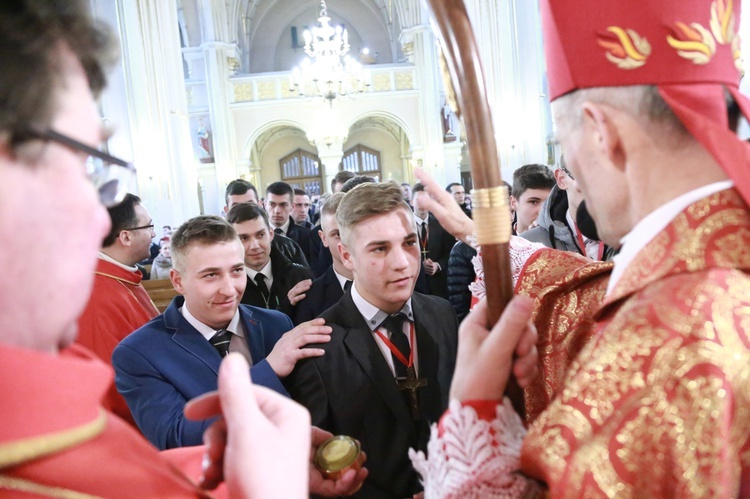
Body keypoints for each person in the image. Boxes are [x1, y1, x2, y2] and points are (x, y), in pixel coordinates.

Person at [412, 0, 750, 495]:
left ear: (600, 130)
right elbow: (602, 288)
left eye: (562, 140)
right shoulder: (715, 269)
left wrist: (473, 415)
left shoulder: (674, 340)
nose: (567, 166)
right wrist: (483, 238)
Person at [284, 182, 461, 498]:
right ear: (346, 255)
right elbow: (324, 468)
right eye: (380, 248)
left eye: (408, 243)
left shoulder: (442, 314)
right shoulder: (318, 345)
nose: (402, 263)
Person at [112, 215, 330, 450]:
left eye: (237, 271)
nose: (229, 290)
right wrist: (269, 370)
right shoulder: (140, 352)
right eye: (211, 275)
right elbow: (176, 437)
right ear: (178, 281)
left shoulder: (276, 324)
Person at [75, 193, 159, 426]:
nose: (154, 233)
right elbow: (111, 385)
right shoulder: (97, 295)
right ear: (125, 237)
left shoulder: (121, 276)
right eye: (149, 226)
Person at [226, 203, 314, 316]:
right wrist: (285, 306)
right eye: (244, 238)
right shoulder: (229, 288)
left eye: (260, 235)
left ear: (271, 234)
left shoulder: (299, 276)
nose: (255, 246)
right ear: (231, 242)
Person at [522, 158, 614, 260]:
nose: (596, 186)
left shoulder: (630, 237)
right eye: (583, 176)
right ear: (561, 179)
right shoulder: (528, 246)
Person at [292, 193, 353, 325]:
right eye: (337, 234)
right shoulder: (310, 298)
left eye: (351, 231)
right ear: (323, 238)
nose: (346, 241)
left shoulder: (389, 282)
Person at [412, 183, 456, 299]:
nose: (422, 203)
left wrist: (438, 265)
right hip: (414, 285)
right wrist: (419, 266)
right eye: (418, 199)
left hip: (438, 285)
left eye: (426, 199)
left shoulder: (441, 224)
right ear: (411, 202)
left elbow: (450, 253)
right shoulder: (403, 226)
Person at [265, 181, 313, 264]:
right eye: (272, 204)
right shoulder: (256, 236)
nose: (277, 211)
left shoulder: (307, 236)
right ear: (265, 205)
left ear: (292, 206)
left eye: (283, 205)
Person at [510, 163, 555, 235]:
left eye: (549, 202)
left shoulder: (566, 240)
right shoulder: (501, 243)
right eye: (534, 202)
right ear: (514, 203)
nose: (542, 212)